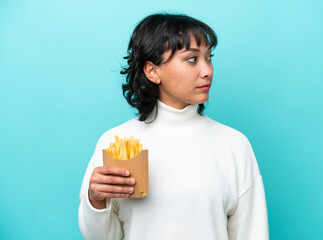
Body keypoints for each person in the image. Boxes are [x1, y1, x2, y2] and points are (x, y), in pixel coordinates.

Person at [78, 12, 269, 240]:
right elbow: (101, 238)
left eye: (209, 58)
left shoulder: (234, 145)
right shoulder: (116, 143)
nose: (207, 70)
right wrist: (96, 199)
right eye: (192, 59)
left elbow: (252, 234)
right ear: (152, 71)